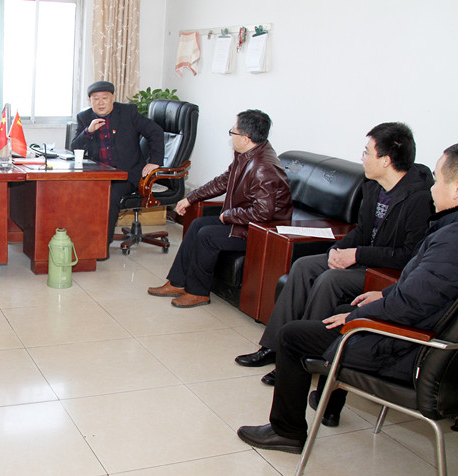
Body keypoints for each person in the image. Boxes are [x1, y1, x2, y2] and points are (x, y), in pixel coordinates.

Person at [237, 144, 458, 454]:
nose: (432, 186)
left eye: (438, 179)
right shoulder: (448, 230)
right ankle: (328, 403)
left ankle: (287, 432)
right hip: (415, 336)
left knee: (294, 336)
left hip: (406, 349)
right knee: (344, 305)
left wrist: (357, 320)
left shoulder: (450, 240)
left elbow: (412, 302)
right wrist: (383, 294)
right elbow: (423, 290)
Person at [236, 122, 434, 387]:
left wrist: (357, 255)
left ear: (386, 160)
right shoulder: (373, 186)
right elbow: (361, 230)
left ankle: (305, 357)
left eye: (367, 152)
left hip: (386, 273)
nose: (362, 158)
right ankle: (274, 347)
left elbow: (409, 254)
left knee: (330, 280)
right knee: (304, 266)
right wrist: (336, 251)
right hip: (364, 259)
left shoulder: (419, 198)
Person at [147, 110, 292, 308]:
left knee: (207, 235)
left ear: (246, 138)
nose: (231, 135)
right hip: (244, 221)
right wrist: (190, 198)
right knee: (197, 225)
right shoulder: (247, 154)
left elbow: (263, 213)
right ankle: (177, 282)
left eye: (233, 131)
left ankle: (198, 293)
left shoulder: (263, 167)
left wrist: (229, 215)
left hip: (261, 232)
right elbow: (223, 181)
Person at [71, 81, 164, 250]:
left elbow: (155, 131)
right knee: (76, 192)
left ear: (113, 98)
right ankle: (81, 238)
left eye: (105, 98)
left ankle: (101, 246)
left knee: (110, 195)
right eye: (95, 99)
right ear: (89, 101)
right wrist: (88, 131)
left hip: (127, 174)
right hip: (100, 174)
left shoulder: (128, 112)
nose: (100, 103)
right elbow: (75, 148)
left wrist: (155, 161)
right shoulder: (84, 118)